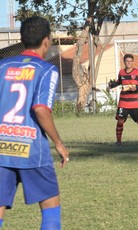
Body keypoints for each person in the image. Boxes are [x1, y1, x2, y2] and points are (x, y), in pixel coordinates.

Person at [0, 16, 70, 229]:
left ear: (22, 39)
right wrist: (58, 142)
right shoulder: (47, 69)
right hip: (32, 149)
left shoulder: (2, 66)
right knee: (50, 208)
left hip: (2, 147)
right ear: (46, 41)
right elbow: (40, 108)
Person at [108, 54, 138, 145]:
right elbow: (119, 82)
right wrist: (111, 85)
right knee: (120, 121)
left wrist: (135, 88)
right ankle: (118, 141)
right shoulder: (121, 72)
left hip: (135, 102)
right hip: (123, 102)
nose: (129, 63)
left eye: (130, 61)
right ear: (124, 62)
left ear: (133, 62)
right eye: (127, 61)